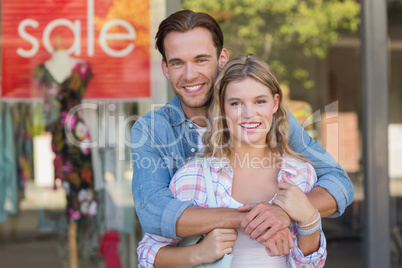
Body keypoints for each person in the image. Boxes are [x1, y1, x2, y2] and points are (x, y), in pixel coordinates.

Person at [131, 9, 353, 254]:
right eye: (177, 63)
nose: (190, 74)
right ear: (165, 69)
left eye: (201, 60)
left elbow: (338, 183)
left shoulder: (264, 117)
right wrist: (254, 219)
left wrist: (282, 213)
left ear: (222, 58)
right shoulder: (152, 129)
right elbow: (153, 212)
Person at [137, 54, 327, 267]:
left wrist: (310, 221)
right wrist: (199, 253)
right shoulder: (194, 176)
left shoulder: (301, 174)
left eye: (260, 101)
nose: (249, 114)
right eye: (236, 103)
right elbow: (147, 254)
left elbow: (309, 265)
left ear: (275, 103)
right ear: (222, 108)